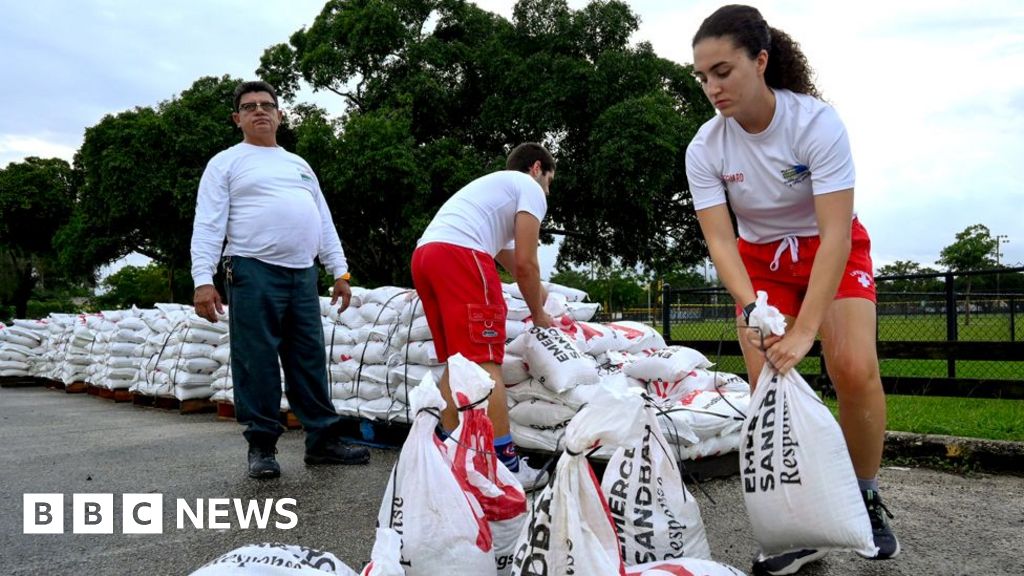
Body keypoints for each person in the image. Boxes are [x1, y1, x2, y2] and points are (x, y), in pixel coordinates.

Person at [685, 5, 898, 574]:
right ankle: (795, 524)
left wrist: (806, 330)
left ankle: (866, 497)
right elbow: (722, 243)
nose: (712, 87)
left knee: (853, 368)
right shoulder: (704, 149)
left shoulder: (815, 124)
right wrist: (752, 307)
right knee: (772, 392)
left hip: (830, 246)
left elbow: (834, 233)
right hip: (760, 263)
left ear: (761, 60)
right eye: (702, 76)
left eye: (723, 71)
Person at [191, 80, 370, 479]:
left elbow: (322, 219)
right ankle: (262, 445)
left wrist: (338, 270)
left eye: (267, 105)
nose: (260, 111)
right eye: (250, 106)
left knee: (308, 357)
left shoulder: (298, 164)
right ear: (237, 118)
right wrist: (203, 278)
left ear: (280, 114)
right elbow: (208, 223)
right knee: (257, 361)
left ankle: (322, 441)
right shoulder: (227, 162)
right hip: (252, 269)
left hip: (302, 274)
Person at [411, 142, 556, 490]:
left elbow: (510, 262)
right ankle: (506, 464)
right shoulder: (529, 189)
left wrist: (542, 292)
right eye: (550, 181)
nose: (548, 190)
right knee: (486, 361)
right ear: (537, 168)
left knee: (458, 363)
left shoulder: (492, 192)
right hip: (461, 257)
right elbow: (525, 263)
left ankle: (448, 452)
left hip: (425, 257)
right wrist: (538, 313)